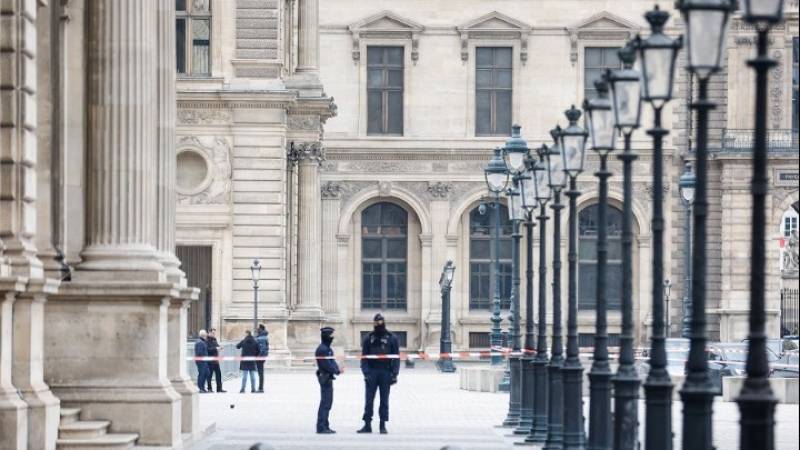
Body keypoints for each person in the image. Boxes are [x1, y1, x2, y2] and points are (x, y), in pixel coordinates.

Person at [357, 313, 399, 434]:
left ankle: (382, 425)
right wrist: (366, 373)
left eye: (381, 322)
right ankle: (367, 424)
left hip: (385, 372)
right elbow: (364, 358)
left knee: (384, 400)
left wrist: (394, 374)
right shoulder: (368, 338)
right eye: (377, 323)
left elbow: (396, 358)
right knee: (369, 400)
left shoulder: (392, 338)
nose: (379, 325)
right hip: (372, 371)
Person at [315, 327, 341, 434]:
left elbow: (332, 361)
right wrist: (336, 370)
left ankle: (325, 425)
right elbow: (326, 364)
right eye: (330, 335)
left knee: (328, 403)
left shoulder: (327, 348)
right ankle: (321, 426)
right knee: (325, 403)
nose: (332, 337)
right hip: (325, 377)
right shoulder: (322, 349)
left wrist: (337, 369)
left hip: (328, 377)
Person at [206, 328, 225, 393]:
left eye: (214, 333)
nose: (214, 334)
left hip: (216, 360)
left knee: (218, 374)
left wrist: (220, 347)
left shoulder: (214, 339)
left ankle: (219, 389)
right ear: (209, 333)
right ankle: (209, 389)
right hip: (210, 360)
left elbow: (217, 346)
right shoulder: (207, 340)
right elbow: (208, 350)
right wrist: (216, 348)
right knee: (210, 375)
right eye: (213, 333)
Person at [255, 324, 270, 393]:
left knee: (260, 373)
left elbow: (263, 349)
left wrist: (258, 357)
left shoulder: (261, 338)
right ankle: (260, 388)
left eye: (258, 329)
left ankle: (260, 388)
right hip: (262, 356)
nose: (257, 330)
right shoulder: (263, 337)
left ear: (261, 329)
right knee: (260, 373)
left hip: (260, 357)